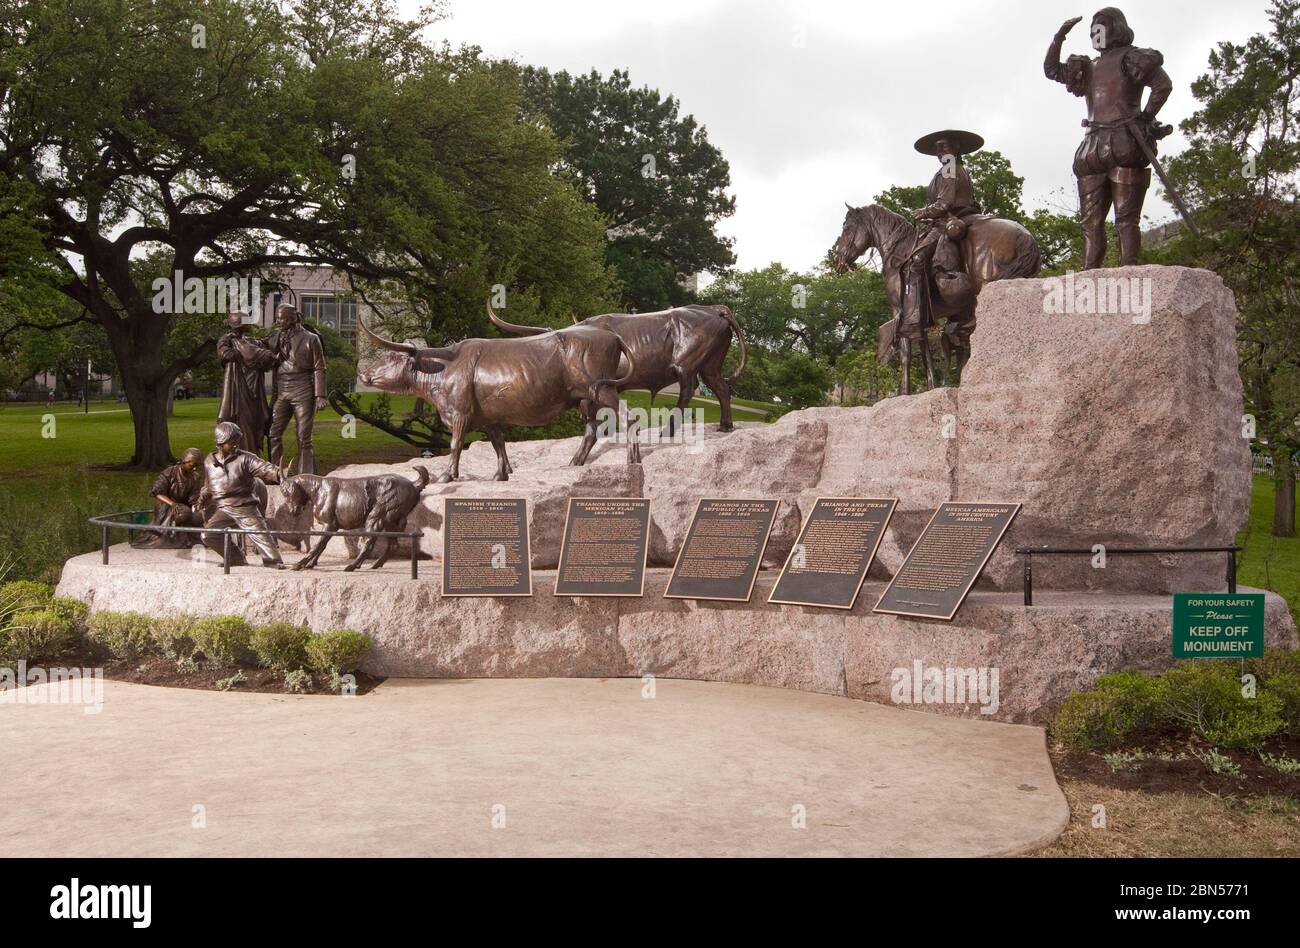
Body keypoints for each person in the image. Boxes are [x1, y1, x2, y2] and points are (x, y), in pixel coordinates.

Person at [1044, 7, 1172, 268]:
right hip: (1091, 148)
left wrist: (1146, 118)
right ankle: (1090, 272)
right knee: (1090, 222)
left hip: (1125, 143)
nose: (1095, 34)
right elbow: (1052, 70)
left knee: (1125, 219)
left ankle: (1129, 269)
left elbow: (1163, 85)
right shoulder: (1087, 67)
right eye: (1093, 31)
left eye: (1100, 28)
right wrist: (1059, 38)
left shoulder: (1132, 57)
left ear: (1115, 28)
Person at [899, 129, 985, 334]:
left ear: (956, 147)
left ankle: (914, 317)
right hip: (962, 217)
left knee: (916, 259)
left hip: (948, 221)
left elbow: (944, 204)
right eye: (937, 148)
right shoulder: (958, 168)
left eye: (943, 146)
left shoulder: (949, 169)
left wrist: (923, 212)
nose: (939, 151)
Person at [200, 422, 286, 568]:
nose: (235, 446)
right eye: (231, 443)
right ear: (220, 443)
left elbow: (264, 467)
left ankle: (273, 560)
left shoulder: (246, 458)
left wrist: (278, 473)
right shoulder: (209, 462)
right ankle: (235, 558)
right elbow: (209, 484)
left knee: (259, 532)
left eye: (236, 442)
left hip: (244, 505)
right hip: (224, 508)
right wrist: (202, 497)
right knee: (208, 535)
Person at [266, 303, 327, 475]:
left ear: (293, 317)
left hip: (303, 389)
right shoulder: (275, 337)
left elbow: (320, 367)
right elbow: (260, 349)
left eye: (282, 318)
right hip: (283, 389)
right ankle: (275, 473)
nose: (279, 321)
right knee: (273, 433)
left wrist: (320, 395)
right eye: (277, 318)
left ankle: (307, 476)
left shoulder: (311, 338)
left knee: (303, 438)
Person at [216, 311, 279, 456]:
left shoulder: (248, 341)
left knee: (254, 422)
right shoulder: (228, 341)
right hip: (238, 389)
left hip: (254, 389)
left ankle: (252, 457)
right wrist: (241, 348)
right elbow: (227, 355)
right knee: (242, 422)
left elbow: (262, 349)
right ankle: (240, 456)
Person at [140, 447, 206, 548]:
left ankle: (191, 537)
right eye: (192, 465)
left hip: (184, 506)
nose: (195, 468)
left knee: (201, 515)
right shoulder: (169, 472)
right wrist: (172, 504)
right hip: (166, 504)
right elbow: (156, 492)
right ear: (184, 461)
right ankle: (170, 537)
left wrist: (199, 507)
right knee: (182, 513)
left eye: (197, 465)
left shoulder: (195, 477)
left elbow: (194, 498)